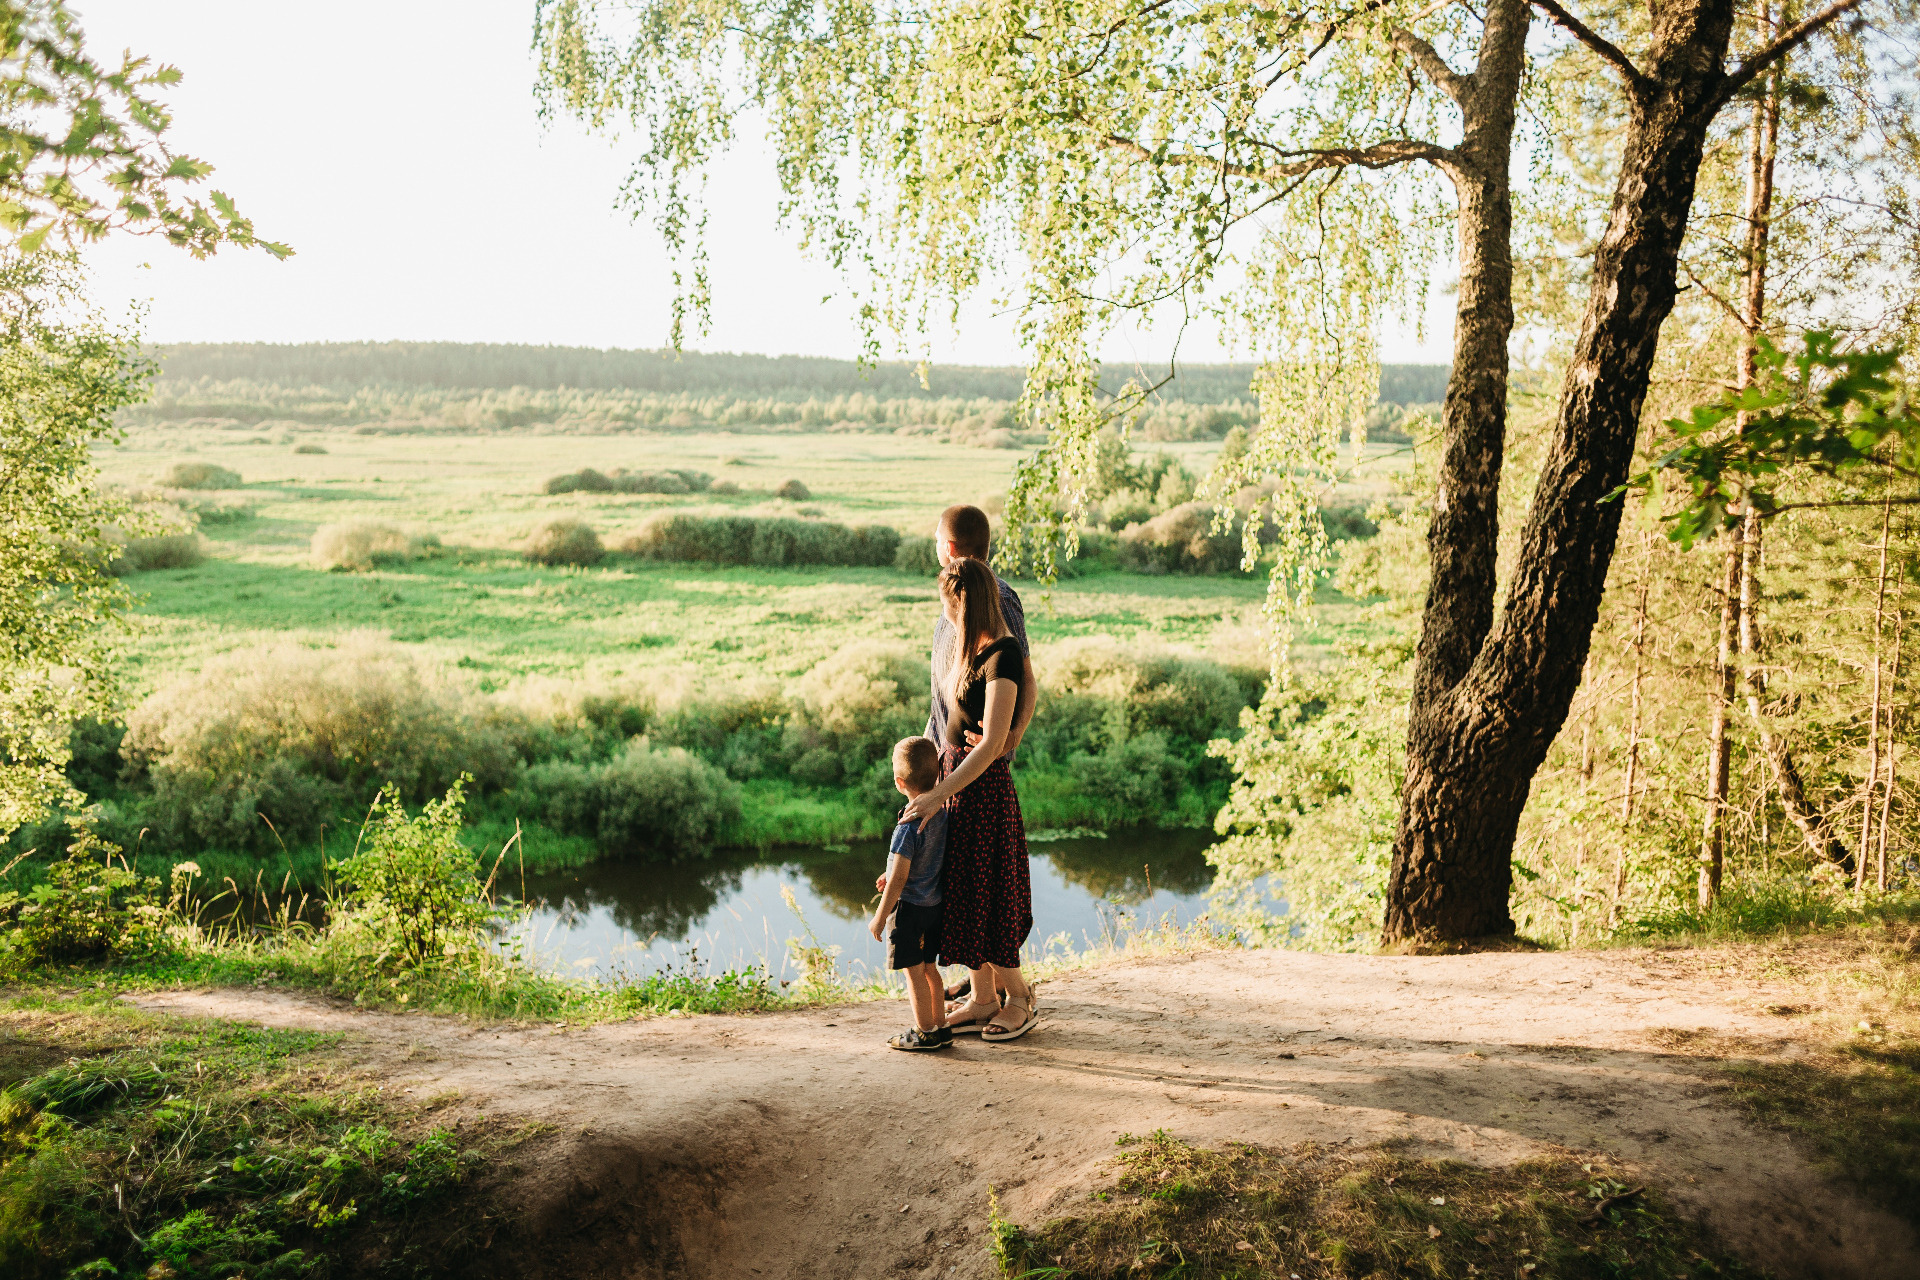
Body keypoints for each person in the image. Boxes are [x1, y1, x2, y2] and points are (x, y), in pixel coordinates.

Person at [902, 555, 1038, 1042]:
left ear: (963, 599)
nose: (944, 612)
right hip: (957, 788)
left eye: (946, 603)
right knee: (962, 897)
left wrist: (938, 794)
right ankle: (982, 999)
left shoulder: (1001, 654)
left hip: (983, 795)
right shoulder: (965, 647)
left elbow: (993, 746)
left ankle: (1019, 1000)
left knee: (989, 898)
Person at [869, 736, 952, 1052]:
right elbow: (917, 862)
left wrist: (879, 918)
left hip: (909, 912)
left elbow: (901, 877)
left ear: (898, 781)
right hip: (933, 907)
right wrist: (889, 873)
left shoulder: (906, 825)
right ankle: (941, 1028)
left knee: (914, 974)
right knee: (930, 970)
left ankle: (924, 1031)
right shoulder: (939, 813)